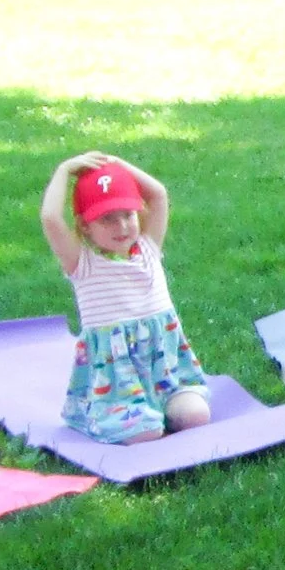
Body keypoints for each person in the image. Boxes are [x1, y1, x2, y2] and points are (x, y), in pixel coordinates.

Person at [38, 152, 213, 443]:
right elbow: (50, 218)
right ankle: (125, 416)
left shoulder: (148, 248)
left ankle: (159, 409)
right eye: (107, 219)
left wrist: (115, 163)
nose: (122, 227)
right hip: (118, 387)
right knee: (147, 433)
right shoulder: (82, 264)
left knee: (197, 416)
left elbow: (157, 194)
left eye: (128, 215)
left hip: (166, 378)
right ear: (84, 226)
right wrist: (64, 169)